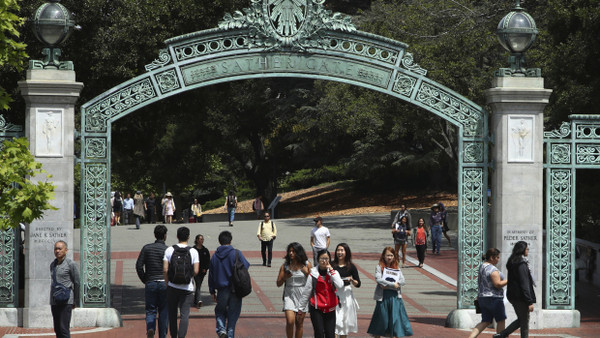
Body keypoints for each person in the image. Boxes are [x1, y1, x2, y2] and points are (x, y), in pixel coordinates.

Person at [209, 231, 250, 338]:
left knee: (219, 311)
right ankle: (230, 334)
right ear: (230, 240)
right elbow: (245, 266)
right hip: (236, 289)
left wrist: (212, 290)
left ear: (219, 241)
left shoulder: (214, 256)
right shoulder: (236, 253)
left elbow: (211, 275)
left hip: (222, 290)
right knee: (233, 314)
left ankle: (221, 330)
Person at [367, 246, 413, 337]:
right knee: (381, 322)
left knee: (395, 322)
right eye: (387, 255)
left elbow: (403, 280)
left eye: (391, 255)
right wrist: (392, 285)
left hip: (395, 298)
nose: (389, 257)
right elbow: (379, 279)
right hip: (383, 298)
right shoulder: (379, 267)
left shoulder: (397, 268)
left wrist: (397, 284)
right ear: (383, 256)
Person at [493, 241, 536, 338]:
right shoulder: (521, 264)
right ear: (522, 250)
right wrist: (529, 301)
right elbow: (524, 284)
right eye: (527, 249)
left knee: (522, 320)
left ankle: (501, 335)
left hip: (513, 295)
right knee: (524, 321)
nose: (528, 251)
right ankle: (502, 335)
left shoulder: (512, 261)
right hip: (520, 297)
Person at [162, 226, 199, 338]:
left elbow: (165, 269)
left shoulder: (169, 250)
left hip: (172, 287)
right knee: (184, 316)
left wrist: (167, 283)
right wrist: (188, 276)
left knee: (172, 315)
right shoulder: (193, 251)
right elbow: (196, 271)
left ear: (177, 236)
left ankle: (173, 336)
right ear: (188, 237)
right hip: (187, 289)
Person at [298, 249, 344, 338]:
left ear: (330, 260)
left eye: (326, 259)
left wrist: (331, 271)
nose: (324, 261)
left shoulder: (334, 273)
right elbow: (306, 292)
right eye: (322, 258)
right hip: (316, 309)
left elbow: (340, 285)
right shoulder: (313, 274)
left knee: (330, 334)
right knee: (319, 332)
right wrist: (300, 309)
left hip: (330, 309)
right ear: (318, 259)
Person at [136, 225, 169, 338]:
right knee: (164, 310)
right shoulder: (168, 250)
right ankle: (163, 335)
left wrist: (145, 279)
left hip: (150, 281)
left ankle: (150, 328)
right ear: (165, 236)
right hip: (164, 283)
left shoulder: (147, 248)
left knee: (150, 309)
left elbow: (139, 266)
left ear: (155, 235)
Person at [469, 248, 507, 338]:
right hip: (494, 298)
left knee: (485, 321)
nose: (498, 259)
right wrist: (509, 280)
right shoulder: (493, 270)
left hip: (482, 297)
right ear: (491, 257)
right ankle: (500, 336)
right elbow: (497, 284)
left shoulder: (482, 266)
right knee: (501, 320)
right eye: (497, 257)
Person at [276, 242, 312, 338]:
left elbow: (314, 281)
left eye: (293, 251)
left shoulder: (307, 264)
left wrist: (307, 273)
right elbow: (278, 283)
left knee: (299, 323)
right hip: (289, 295)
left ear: (299, 252)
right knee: (290, 321)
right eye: (290, 251)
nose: (291, 253)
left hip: (302, 296)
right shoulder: (285, 266)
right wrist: (284, 277)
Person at [50, 240, 80, 338]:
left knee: (64, 329)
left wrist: (76, 300)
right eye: (55, 249)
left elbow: (77, 282)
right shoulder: (52, 265)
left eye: (60, 249)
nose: (57, 251)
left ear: (66, 250)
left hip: (66, 300)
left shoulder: (71, 264)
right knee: (57, 329)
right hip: (55, 301)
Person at [332, 243, 361, 337]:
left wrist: (352, 280)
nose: (339, 252)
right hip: (334, 294)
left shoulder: (351, 266)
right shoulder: (332, 265)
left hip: (346, 295)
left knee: (344, 322)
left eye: (342, 250)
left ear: (346, 252)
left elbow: (358, 284)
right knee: (335, 321)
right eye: (338, 250)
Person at [193, 234, 210, 308]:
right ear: (196, 240)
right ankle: (198, 301)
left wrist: (205, 268)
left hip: (202, 272)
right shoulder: (193, 250)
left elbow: (208, 261)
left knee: (198, 285)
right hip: (195, 271)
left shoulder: (205, 250)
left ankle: (195, 300)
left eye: (202, 239)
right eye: (200, 239)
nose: (201, 241)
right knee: (198, 284)